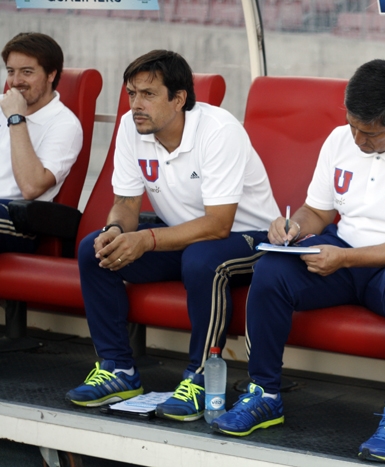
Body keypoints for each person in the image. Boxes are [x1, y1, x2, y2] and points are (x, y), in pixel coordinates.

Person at [212, 59, 385, 463]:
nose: (359, 140)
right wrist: (292, 227)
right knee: (273, 268)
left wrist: (345, 258)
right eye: (353, 127)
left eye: (371, 134)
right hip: (344, 257)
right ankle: (264, 394)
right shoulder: (339, 140)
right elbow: (319, 213)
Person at [65, 50, 280, 422]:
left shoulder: (219, 131)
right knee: (93, 250)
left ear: (179, 98)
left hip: (253, 240)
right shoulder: (131, 128)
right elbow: (126, 202)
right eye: (132, 94)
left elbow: (218, 225)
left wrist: (146, 241)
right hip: (185, 238)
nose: (136, 105)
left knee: (203, 259)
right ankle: (118, 369)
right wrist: (116, 230)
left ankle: (199, 380)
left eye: (148, 94)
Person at [0, 32, 82, 253]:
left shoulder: (65, 125)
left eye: (27, 72)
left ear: (50, 75)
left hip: (19, 216)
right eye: (10, 71)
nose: (15, 82)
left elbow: (31, 187)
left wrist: (16, 118)